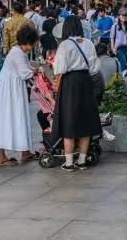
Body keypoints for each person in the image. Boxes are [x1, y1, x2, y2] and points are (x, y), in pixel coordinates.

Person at [52, 15, 102, 171]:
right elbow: (95, 67)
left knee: (69, 119)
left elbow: (59, 68)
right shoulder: (88, 43)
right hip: (86, 81)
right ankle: (82, 161)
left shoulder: (65, 45)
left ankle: (68, 163)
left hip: (70, 83)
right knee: (85, 120)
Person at [0, 24, 37, 166]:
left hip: (12, 88)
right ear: (27, 42)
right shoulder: (17, 52)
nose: (31, 47)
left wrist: (35, 70)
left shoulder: (19, 51)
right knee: (9, 118)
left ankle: (25, 151)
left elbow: (26, 68)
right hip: (10, 91)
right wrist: (37, 70)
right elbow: (25, 72)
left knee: (17, 117)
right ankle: (2, 157)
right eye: (31, 44)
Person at [112, 9, 127, 75]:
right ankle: (123, 81)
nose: (124, 17)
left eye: (125, 15)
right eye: (123, 16)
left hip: (126, 48)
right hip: (118, 48)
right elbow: (112, 38)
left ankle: (122, 80)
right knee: (124, 65)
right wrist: (113, 48)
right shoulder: (115, 26)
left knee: (126, 65)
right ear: (119, 16)